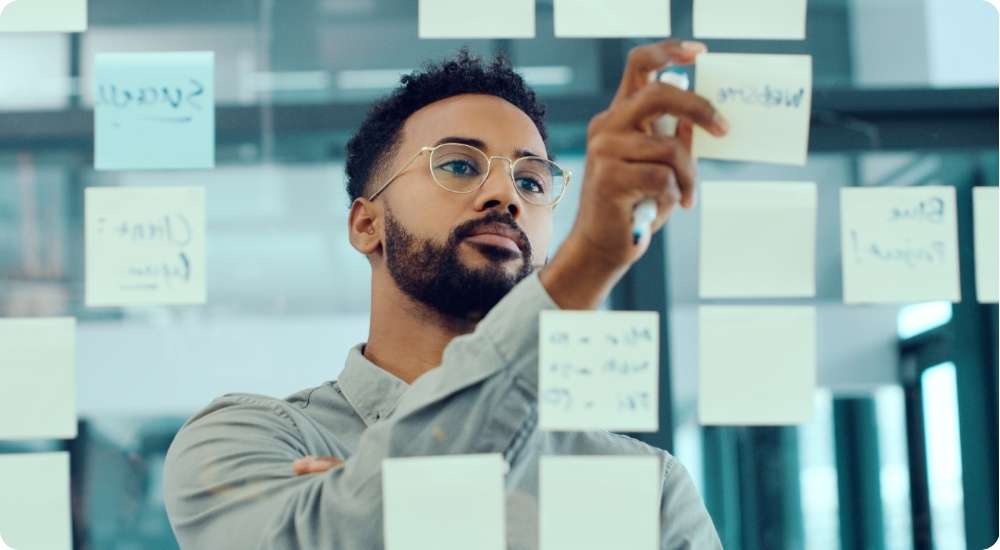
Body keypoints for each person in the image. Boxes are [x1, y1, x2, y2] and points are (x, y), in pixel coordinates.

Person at [163, 39, 729, 549]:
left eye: (531, 181)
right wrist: (589, 264)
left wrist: (369, 503)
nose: (504, 194)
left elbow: (344, 533)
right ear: (366, 225)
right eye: (459, 165)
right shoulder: (247, 439)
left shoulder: (644, 487)